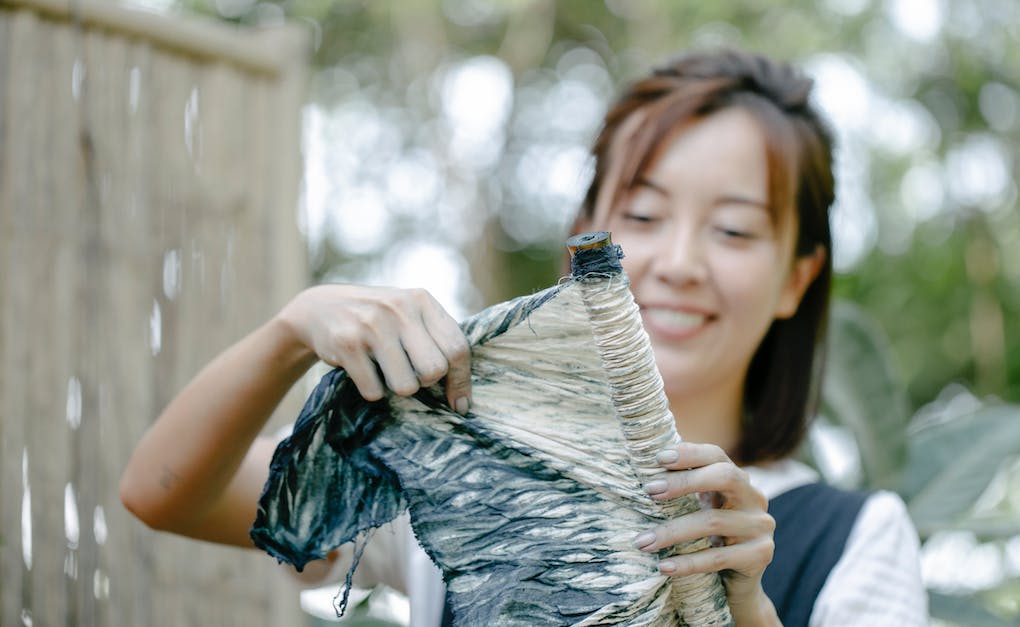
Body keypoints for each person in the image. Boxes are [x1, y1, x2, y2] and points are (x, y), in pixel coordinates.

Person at [121, 48, 927, 625]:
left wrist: (748, 612)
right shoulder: (454, 466)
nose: (678, 262)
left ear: (797, 277)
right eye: (642, 216)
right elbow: (165, 492)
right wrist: (292, 331)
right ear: (586, 239)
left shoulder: (856, 536)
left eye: (734, 230)